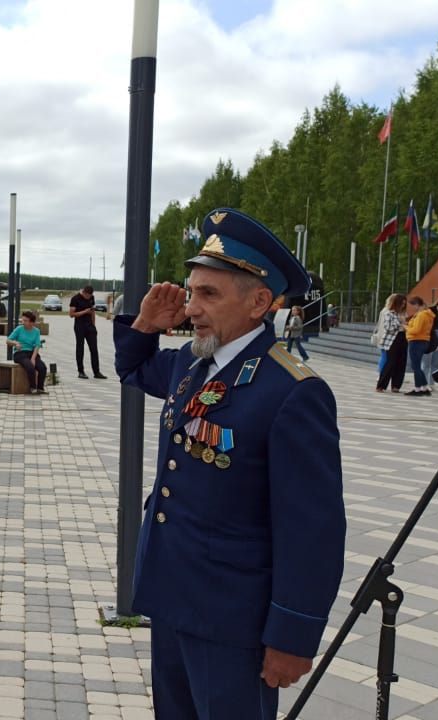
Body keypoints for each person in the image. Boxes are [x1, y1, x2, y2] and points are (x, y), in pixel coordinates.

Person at [114, 208, 345, 719]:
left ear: (259, 302)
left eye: (209, 295)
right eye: (191, 291)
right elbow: (132, 367)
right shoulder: (192, 364)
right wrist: (147, 323)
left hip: (234, 620)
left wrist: (293, 635)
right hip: (173, 598)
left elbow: (313, 530)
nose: (192, 306)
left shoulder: (293, 391)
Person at [69, 284, 107, 379]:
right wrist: (84, 312)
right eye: (88, 295)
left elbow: (93, 311)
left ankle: (96, 372)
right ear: (84, 292)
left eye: (90, 296)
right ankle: (81, 371)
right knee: (80, 348)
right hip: (79, 326)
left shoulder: (91, 298)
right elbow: (71, 314)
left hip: (90, 326)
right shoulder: (75, 298)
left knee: (94, 349)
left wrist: (94, 326)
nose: (89, 297)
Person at [6, 310, 48, 394]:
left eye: (25, 320)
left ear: (31, 322)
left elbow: (37, 345)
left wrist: (33, 358)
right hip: (20, 353)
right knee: (30, 367)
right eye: (22, 320)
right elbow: (8, 340)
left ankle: (40, 388)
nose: (23, 322)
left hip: (32, 353)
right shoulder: (19, 329)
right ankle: (33, 388)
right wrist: (15, 343)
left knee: (42, 367)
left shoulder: (36, 331)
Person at [374, 294, 407, 393]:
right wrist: (400, 324)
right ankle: (381, 385)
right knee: (390, 362)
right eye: (401, 304)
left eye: (404, 304)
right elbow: (389, 328)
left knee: (401, 362)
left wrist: (403, 324)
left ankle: (396, 385)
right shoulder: (389, 313)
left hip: (403, 337)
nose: (402, 306)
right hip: (392, 339)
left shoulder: (403, 313)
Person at [403, 296, 436, 396]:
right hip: (424, 340)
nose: (412, 308)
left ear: (417, 305)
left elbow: (416, 330)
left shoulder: (421, 315)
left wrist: (405, 327)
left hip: (416, 341)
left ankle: (417, 389)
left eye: (413, 305)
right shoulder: (428, 314)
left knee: (416, 366)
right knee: (417, 366)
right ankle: (425, 387)